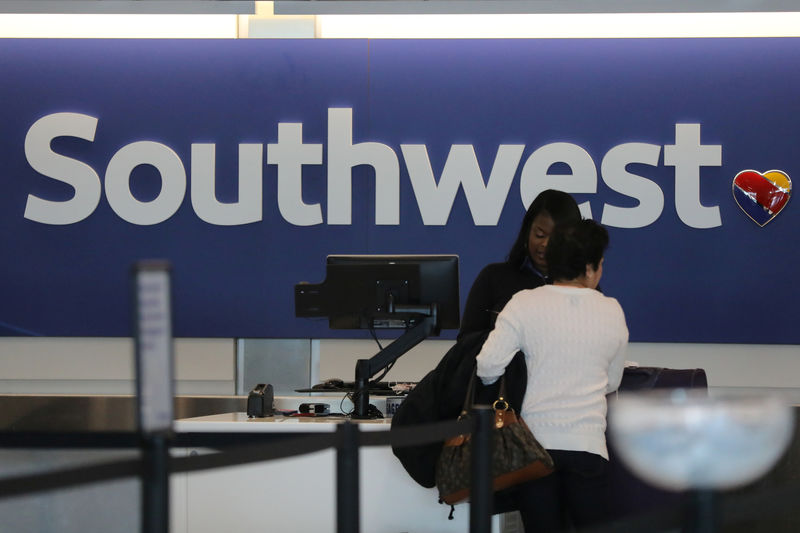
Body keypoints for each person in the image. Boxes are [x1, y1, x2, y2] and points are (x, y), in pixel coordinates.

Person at [475, 219, 629, 533]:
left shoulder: (523, 303)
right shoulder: (611, 310)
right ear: (589, 268)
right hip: (587, 446)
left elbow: (487, 367)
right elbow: (613, 382)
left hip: (534, 450)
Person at [458, 189, 582, 340]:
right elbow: (466, 341)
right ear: (527, 230)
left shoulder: (582, 285)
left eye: (556, 239)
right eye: (540, 235)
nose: (545, 244)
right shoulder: (493, 277)